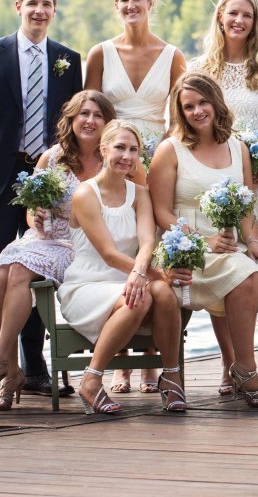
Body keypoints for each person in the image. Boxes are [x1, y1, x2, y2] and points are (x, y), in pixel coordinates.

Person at [148, 72, 258, 408]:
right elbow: (161, 212)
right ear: (180, 111)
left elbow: (246, 205)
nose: (197, 111)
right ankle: (245, 370)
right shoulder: (170, 149)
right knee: (247, 274)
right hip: (186, 248)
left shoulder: (238, 148)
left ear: (216, 103)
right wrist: (202, 241)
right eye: (188, 106)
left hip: (229, 246)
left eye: (203, 102)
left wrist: (252, 241)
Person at [85, 0, 186, 393]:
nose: (131, 5)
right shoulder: (100, 53)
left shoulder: (173, 55)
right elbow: (86, 114)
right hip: (113, 158)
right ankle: (121, 366)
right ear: (116, 6)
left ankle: (154, 365)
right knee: (122, 245)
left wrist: (160, 159)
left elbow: (180, 115)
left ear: (150, 4)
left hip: (158, 159)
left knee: (157, 245)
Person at [190, 0, 258, 394]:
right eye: (232, 13)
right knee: (221, 261)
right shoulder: (202, 67)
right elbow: (188, 122)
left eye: (246, 15)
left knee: (245, 261)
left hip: (254, 182)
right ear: (220, 17)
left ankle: (242, 361)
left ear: (255, 21)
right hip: (212, 179)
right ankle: (228, 362)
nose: (238, 21)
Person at [0, 90, 115, 410]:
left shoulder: (113, 159)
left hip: (79, 243)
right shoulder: (52, 158)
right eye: (83, 114)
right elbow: (32, 210)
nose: (89, 120)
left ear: (107, 122)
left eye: (97, 115)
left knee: (17, 271)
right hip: (43, 238)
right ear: (71, 119)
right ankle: (13, 370)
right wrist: (38, 217)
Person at [0, 0, 82, 398]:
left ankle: (34, 366)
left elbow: (74, 125)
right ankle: (3, 364)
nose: (39, 11)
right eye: (32, 4)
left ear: (54, 9)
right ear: (18, 7)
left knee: (34, 266)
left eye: (47, 4)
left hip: (48, 177)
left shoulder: (68, 59)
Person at [58, 120, 186, 414]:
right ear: (103, 149)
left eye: (133, 150)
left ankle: (171, 376)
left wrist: (145, 273)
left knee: (165, 293)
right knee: (139, 296)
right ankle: (91, 380)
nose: (126, 156)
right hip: (89, 283)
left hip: (130, 276)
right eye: (119, 148)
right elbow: (109, 254)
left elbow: (145, 244)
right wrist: (148, 274)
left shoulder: (140, 193)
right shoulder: (85, 194)